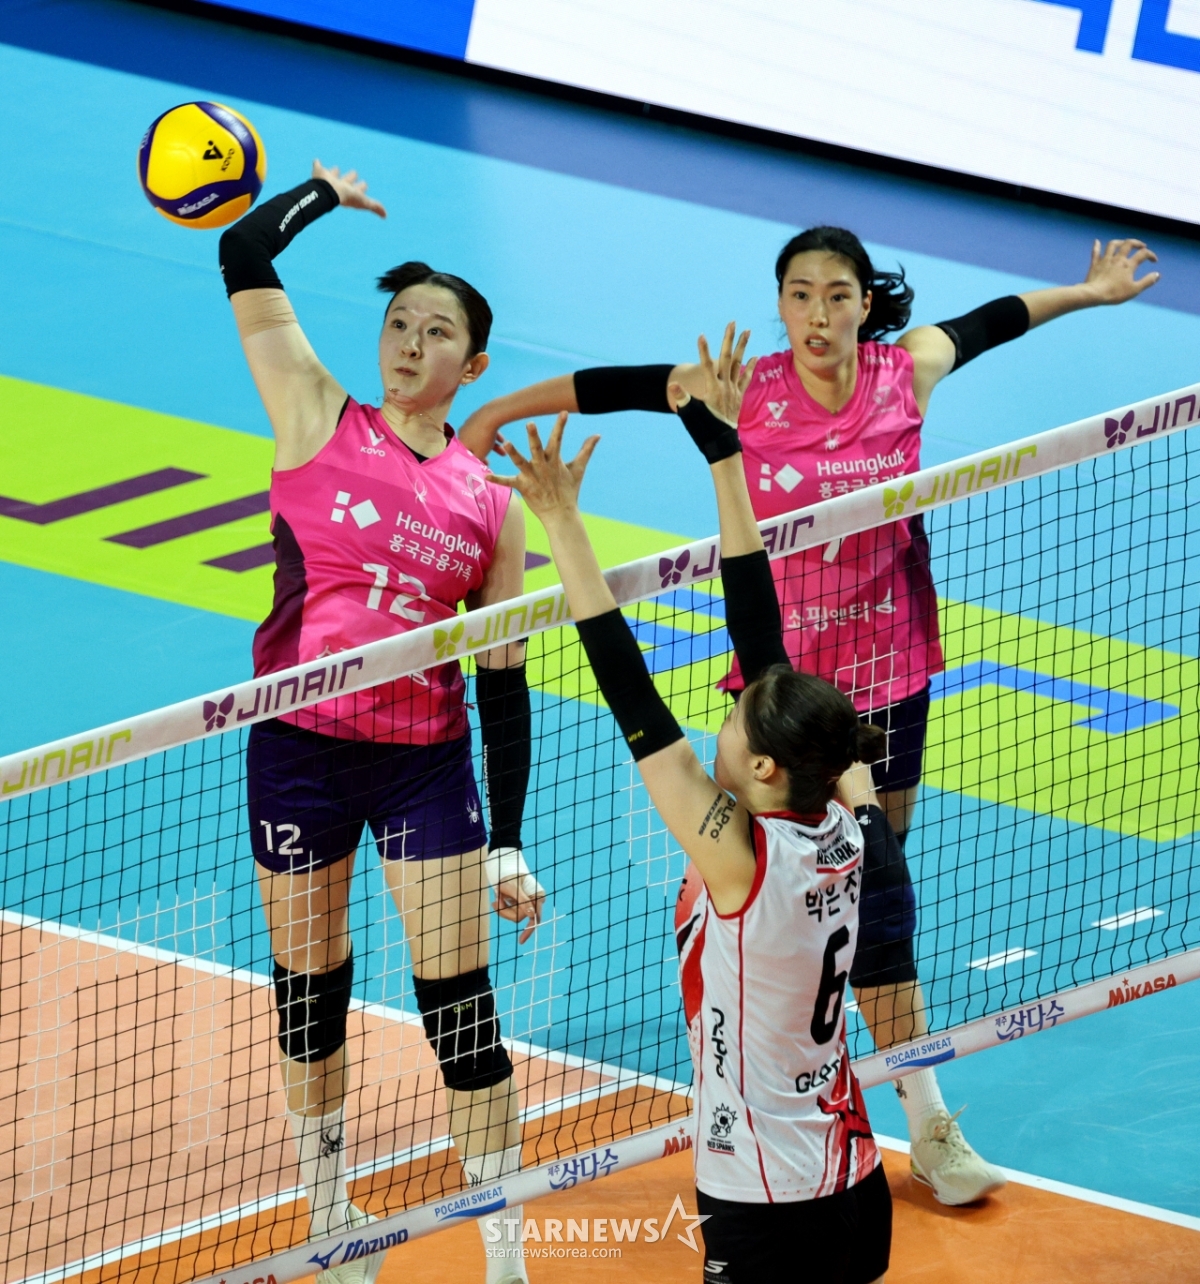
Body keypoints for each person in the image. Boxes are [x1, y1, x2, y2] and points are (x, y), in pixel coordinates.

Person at [457, 230, 1160, 1203]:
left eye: (837, 294)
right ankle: (852, 1098)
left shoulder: (907, 371)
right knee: (768, 896)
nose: (818, 314)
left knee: (874, 893)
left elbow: (997, 321)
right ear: (780, 304)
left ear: (867, 303)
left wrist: (1091, 291)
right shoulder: (745, 388)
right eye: (799, 294)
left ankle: (916, 1116)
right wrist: (497, 410)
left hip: (889, 675)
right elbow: (615, 386)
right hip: (780, 693)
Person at [488, 326, 892, 1283]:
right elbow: (765, 641)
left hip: (763, 1194)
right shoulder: (842, 813)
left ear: (765, 769)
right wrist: (724, 454)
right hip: (853, 1171)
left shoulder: (741, 859)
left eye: (735, 721)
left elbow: (632, 694)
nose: (723, 714)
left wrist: (563, 524)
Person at [218, 163, 545, 1284]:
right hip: (298, 749)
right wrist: (319, 194)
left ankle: (505, 1251)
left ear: (474, 365)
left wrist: (509, 837)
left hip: (424, 765)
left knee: (459, 1002)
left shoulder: (492, 506)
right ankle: (330, 1214)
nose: (409, 343)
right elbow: (242, 255)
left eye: (436, 331)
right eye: (399, 323)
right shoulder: (314, 412)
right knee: (310, 989)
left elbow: (502, 679)